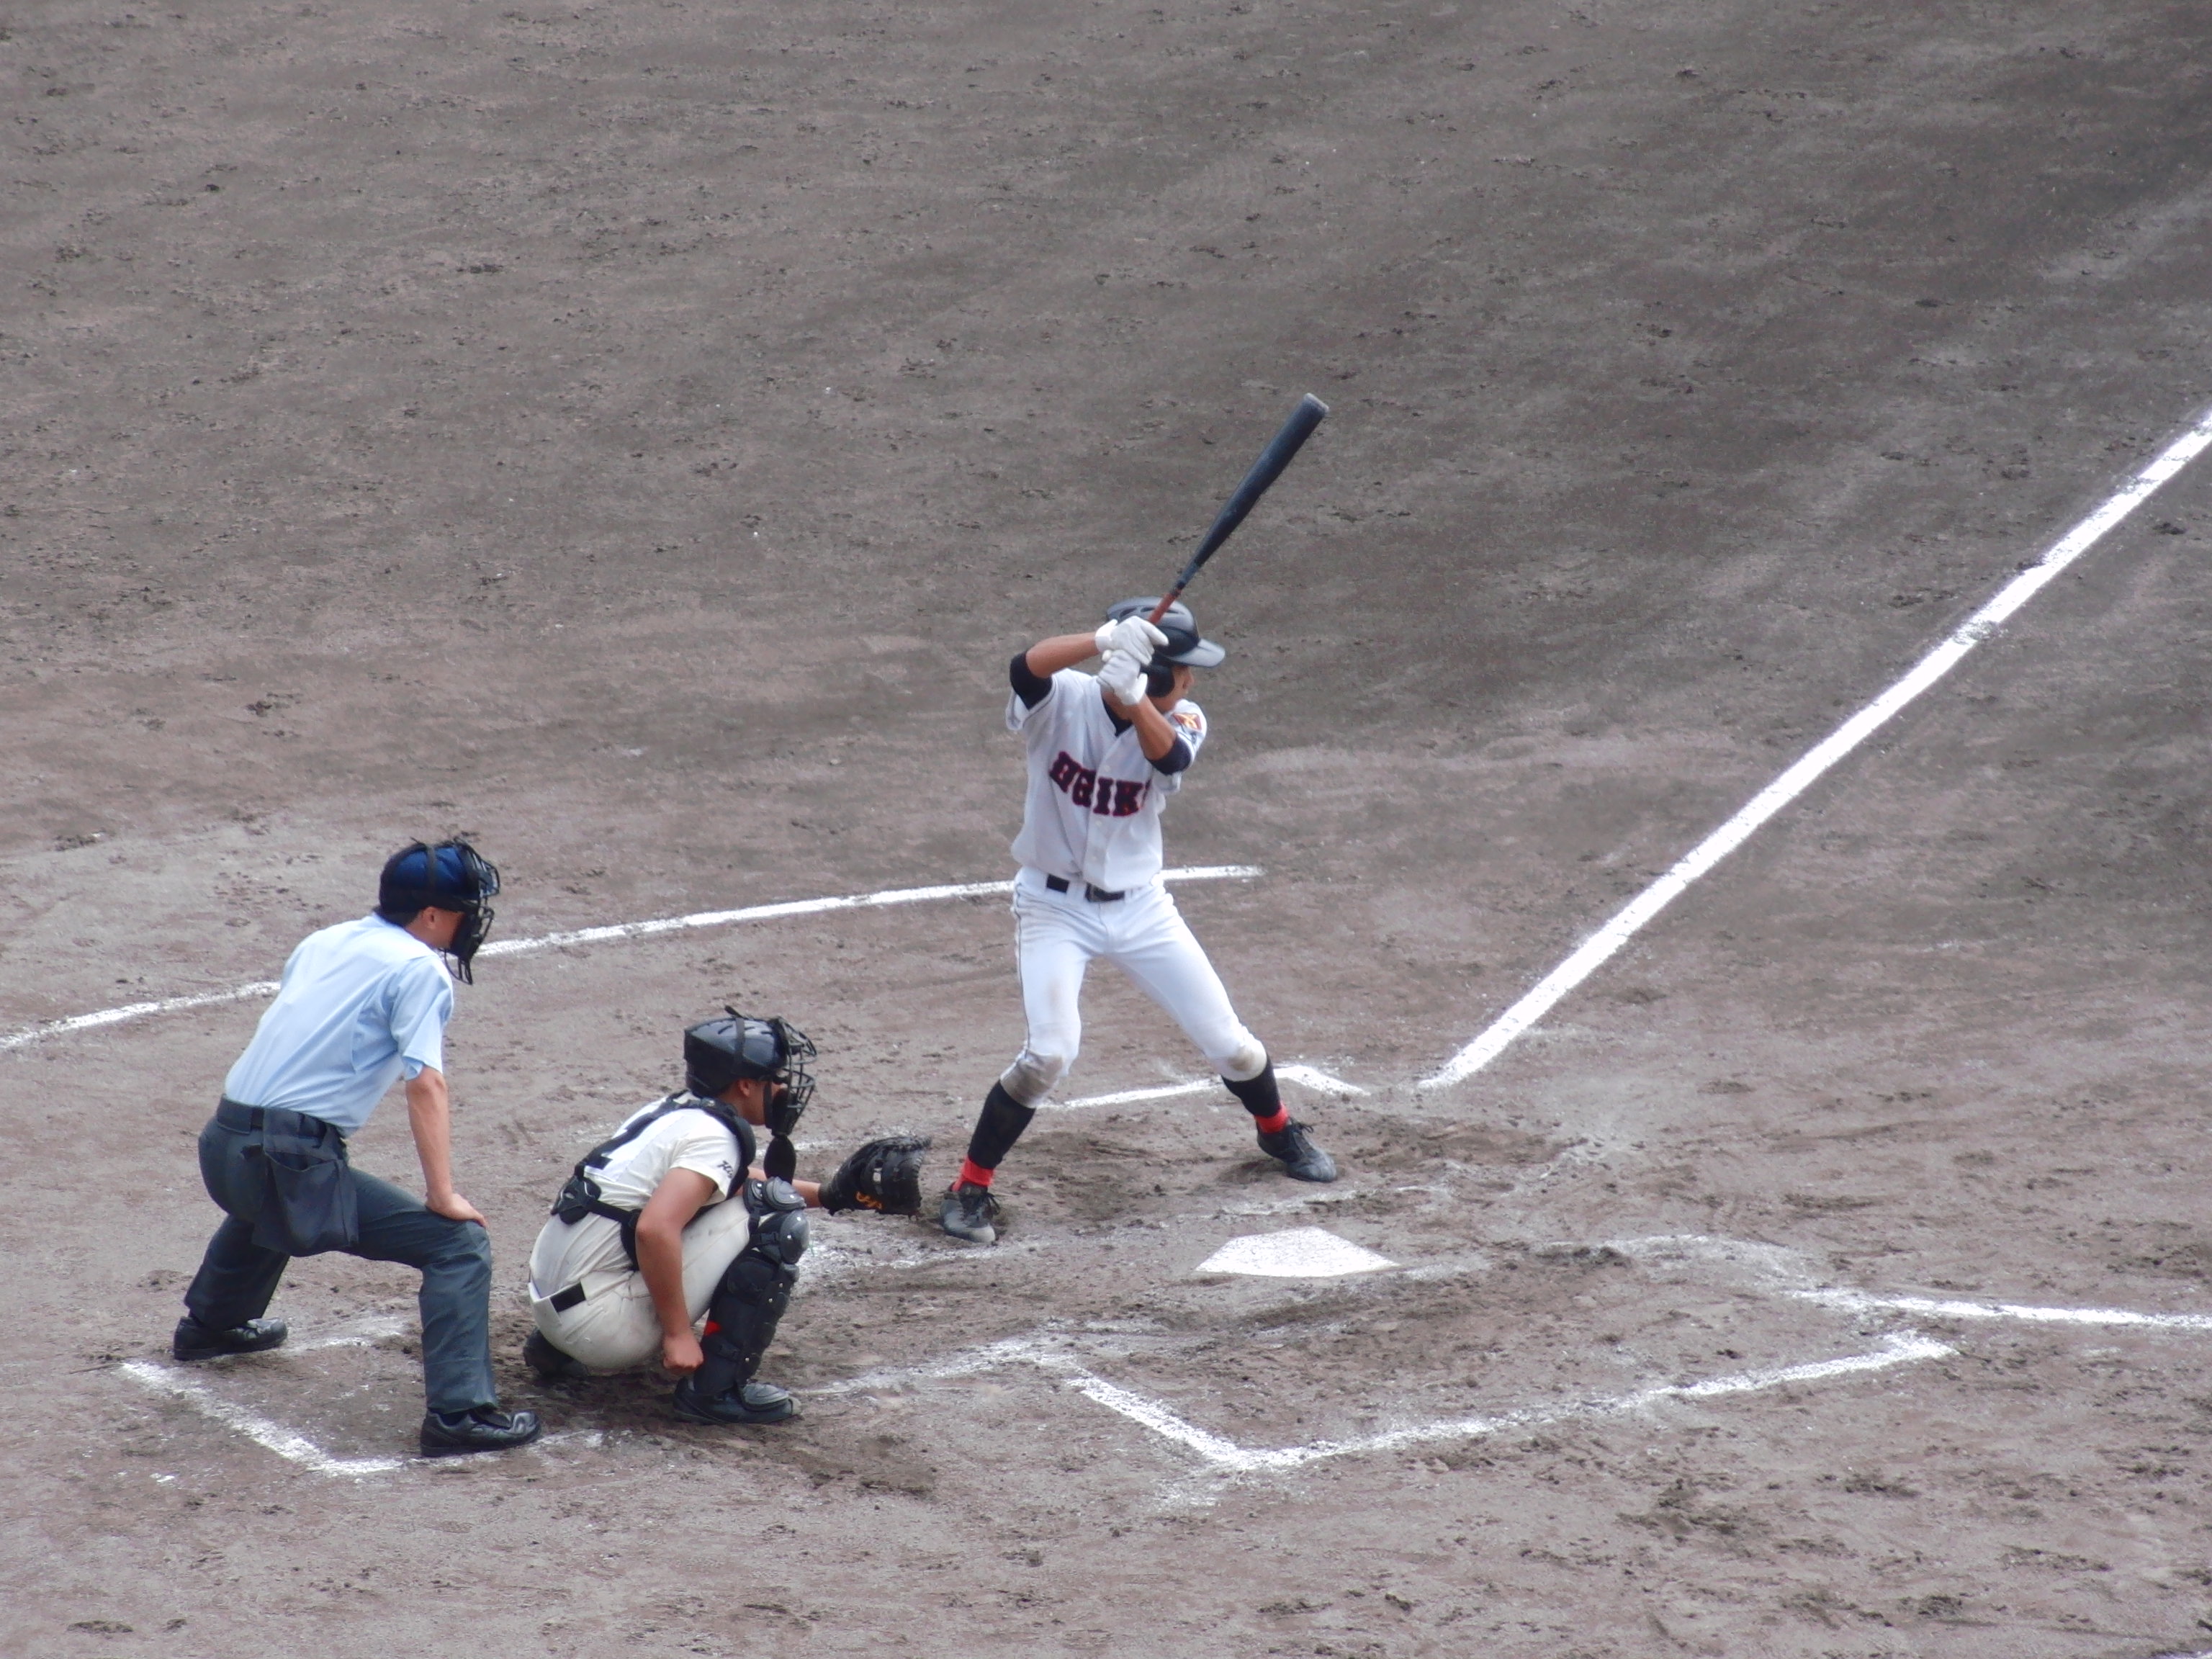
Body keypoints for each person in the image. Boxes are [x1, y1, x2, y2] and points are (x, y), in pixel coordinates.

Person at [940, 598, 1339, 1246]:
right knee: (1048, 1054)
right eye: (1184, 670)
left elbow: (1170, 761)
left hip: (1142, 908)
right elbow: (1025, 667)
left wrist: (1134, 702)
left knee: (1231, 1043)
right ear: (1159, 672)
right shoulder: (1063, 700)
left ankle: (1277, 1131)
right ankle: (969, 1187)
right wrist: (1100, 640)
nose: (1193, 680)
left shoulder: (1183, 717)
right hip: (1053, 908)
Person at [172, 840, 542, 1459]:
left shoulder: (328, 939)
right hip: (282, 1159)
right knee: (458, 1245)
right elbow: (425, 1083)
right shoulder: (418, 971)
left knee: (272, 1195)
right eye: (462, 908)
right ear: (429, 914)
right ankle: (460, 1415)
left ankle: (212, 1326)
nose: (470, 920)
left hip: (224, 1143)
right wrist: (442, 1194)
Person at [523, 1011, 925, 1426]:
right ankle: (716, 1391)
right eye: (775, 1077)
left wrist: (827, 1195)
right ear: (746, 1085)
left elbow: (721, 1183)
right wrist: (679, 1335)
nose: (783, 1087)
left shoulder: (671, 1112)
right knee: (775, 1218)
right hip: (600, 1331)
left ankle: (553, 1349)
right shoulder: (714, 1136)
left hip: (553, 1306)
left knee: (735, 1201)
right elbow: (654, 1229)